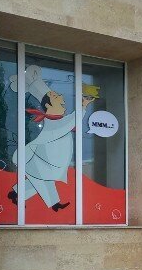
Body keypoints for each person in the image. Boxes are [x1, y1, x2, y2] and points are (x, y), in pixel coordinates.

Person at [8, 66, 90, 212]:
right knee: (43, 179)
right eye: (56, 97)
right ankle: (52, 204)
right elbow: (71, 122)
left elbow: (69, 122)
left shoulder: (56, 121)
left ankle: (16, 193)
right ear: (48, 105)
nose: (61, 98)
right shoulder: (53, 124)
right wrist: (83, 106)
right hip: (38, 158)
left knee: (41, 179)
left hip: (44, 160)